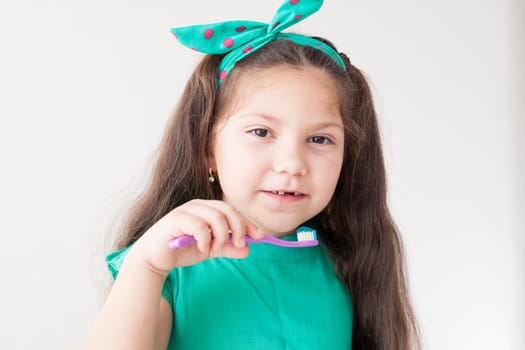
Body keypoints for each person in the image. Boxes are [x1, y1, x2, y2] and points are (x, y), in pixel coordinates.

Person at [83, 1, 420, 349]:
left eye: (320, 139)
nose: (291, 164)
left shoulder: (353, 269)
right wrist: (147, 266)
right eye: (261, 132)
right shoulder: (163, 268)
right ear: (207, 150)